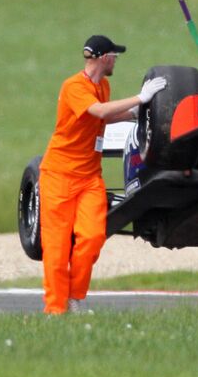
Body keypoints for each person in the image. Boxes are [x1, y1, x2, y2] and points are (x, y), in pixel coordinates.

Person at [39, 35, 167, 314]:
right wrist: (139, 97)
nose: (115, 61)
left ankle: (75, 296)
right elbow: (96, 110)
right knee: (57, 248)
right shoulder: (73, 86)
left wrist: (135, 112)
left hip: (89, 178)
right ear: (102, 58)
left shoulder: (103, 86)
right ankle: (55, 310)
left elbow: (104, 117)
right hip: (58, 176)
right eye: (114, 56)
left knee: (93, 236)